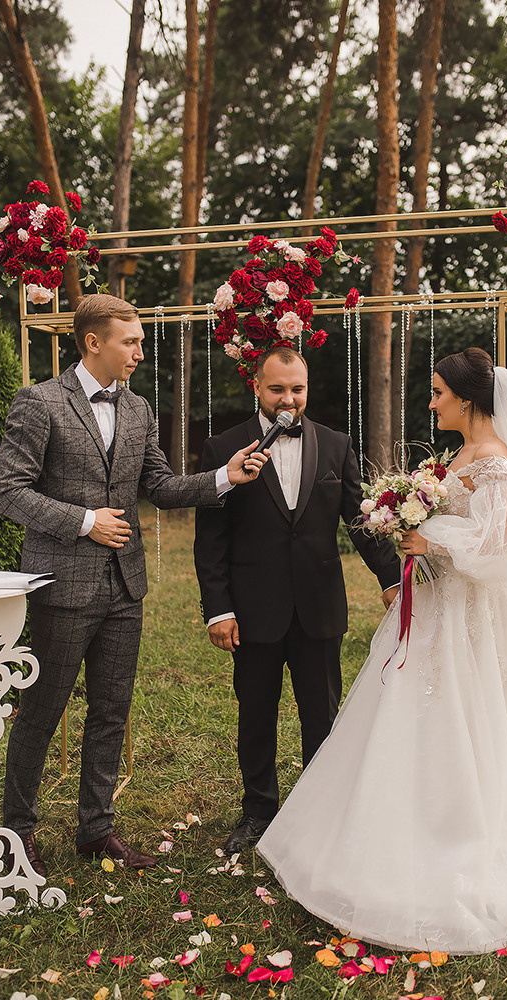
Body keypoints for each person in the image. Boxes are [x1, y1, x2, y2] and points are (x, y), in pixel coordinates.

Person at [258, 348, 507, 962]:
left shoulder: (497, 464)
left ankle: (453, 836)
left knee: (457, 724)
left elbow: (501, 551)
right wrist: (414, 527)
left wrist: (430, 537)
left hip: (464, 625)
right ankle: (392, 833)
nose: (431, 402)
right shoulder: (463, 456)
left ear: (468, 400)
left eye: (437, 392)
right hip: (433, 610)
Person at [0, 293, 267, 878]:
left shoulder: (138, 408)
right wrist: (85, 521)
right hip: (62, 586)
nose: (141, 351)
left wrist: (224, 476)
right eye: (131, 341)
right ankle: (18, 834)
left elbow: (161, 487)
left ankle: (96, 830)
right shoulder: (39, 403)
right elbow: (7, 491)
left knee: (112, 710)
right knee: (42, 710)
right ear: (94, 342)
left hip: (125, 589)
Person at [194, 345, 401, 856]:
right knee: (255, 715)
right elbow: (210, 539)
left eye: (298, 388)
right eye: (278, 388)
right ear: (257, 389)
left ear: (307, 388)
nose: (289, 398)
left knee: (321, 715)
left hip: (318, 607)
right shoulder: (223, 448)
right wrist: (219, 609)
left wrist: (393, 578)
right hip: (252, 610)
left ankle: (319, 811)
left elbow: (361, 523)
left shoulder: (335, 445)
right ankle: (258, 812)